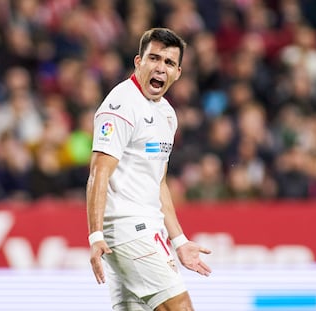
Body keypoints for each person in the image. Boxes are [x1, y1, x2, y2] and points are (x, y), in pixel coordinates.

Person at [86, 28, 212, 311]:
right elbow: (98, 173)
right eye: (153, 58)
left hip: (148, 229)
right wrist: (95, 236)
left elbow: (159, 182)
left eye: (168, 63)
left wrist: (178, 240)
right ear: (138, 61)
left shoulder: (166, 113)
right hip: (128, 230)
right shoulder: (120, 106)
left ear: (178, 72)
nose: (160, 67)